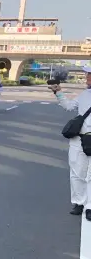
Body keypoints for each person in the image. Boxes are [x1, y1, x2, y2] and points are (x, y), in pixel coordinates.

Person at [50, 68, 91, 218]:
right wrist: (58, 92)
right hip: (79, 138)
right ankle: (79, 202)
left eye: (90, 75)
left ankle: (90, 206)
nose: (87, 77)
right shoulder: (84, 94)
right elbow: (68, 106)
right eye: (87, 74)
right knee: (76, 172)